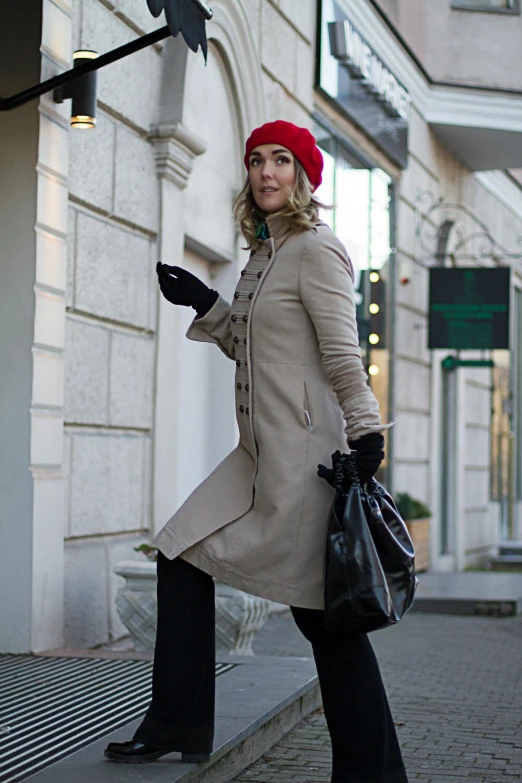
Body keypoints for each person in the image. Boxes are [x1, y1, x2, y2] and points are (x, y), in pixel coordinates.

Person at [104, 120, 408, 783]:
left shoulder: (316, 249)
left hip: (304, 466)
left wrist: (367, 433)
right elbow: (256, 349)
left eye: (281, 161)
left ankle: (373, 771)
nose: (266, 172)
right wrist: (208, 302)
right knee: (179, 552)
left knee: (328, 627)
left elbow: (340, 354)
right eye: (256, 161)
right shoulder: (263, 251)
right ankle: (175, 723)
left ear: (303, 176)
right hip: (254, 458)